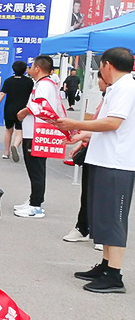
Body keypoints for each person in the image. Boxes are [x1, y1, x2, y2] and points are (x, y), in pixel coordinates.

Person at [55, 47, 135, 294]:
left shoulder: (126, 88)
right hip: (105, 160)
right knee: (102, 216)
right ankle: (106, 266)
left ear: (107, 65)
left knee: (114, 219)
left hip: (117, 163)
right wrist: (85, 133)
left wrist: (76, 123)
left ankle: (114, 275)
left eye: (100, 67)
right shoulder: (117, 88)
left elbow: (113, 122)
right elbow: (113, 125)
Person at [63, 70, 108, 245]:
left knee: (104, 196)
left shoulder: (122, 96)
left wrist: (78, 131)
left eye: (101, 80)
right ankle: (83, 228)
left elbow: (109, 127)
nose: (98, 83)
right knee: (88, 193)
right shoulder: (103, 99)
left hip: (110, 157)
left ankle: (102, 235)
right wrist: (81, 143)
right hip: (93, 151)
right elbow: (94, 124)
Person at [13, 55, 59, 219]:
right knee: (35, 169)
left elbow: (39, 106)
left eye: (31, 66)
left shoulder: (44, 85)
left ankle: (36, 205)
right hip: (34, 132)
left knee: (36, 169)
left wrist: (22, 112)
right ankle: (34, 199)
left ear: (38, 68)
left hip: (36, 133)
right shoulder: (43, 84)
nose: (29, 69)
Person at [0, 61, 33, 161]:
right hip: (23, 111)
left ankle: (6, 152)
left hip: (9, 109)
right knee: (19, 131)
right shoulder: (29, 82)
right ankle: (15, 146)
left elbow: (2, 94)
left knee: (8, 130)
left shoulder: (8, 81)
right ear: (25, 70)